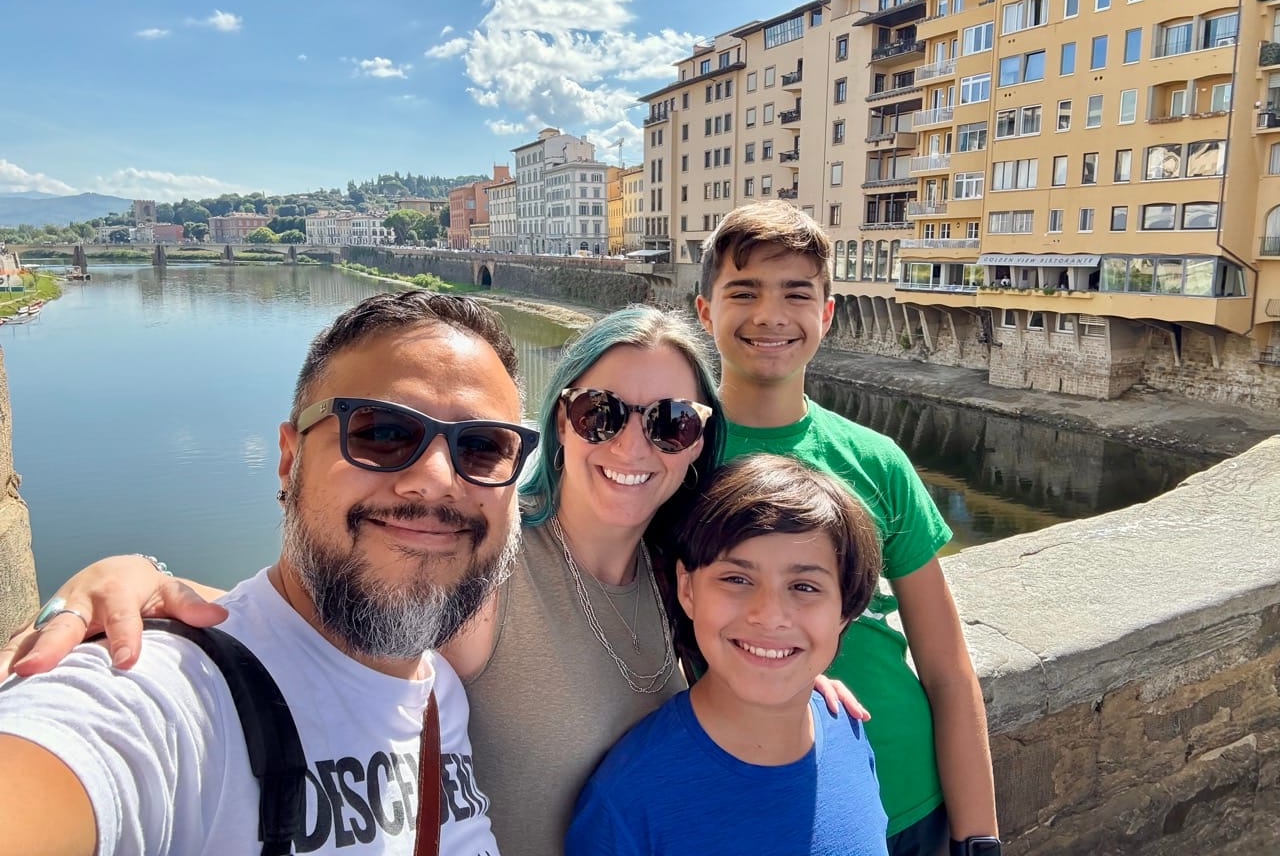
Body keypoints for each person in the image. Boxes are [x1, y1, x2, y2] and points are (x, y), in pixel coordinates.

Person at [2, 307, 863, 855]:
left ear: (698, 442)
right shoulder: (479, 572)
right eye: (602, 412)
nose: (635, 445)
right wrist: (131, 586)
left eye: (671, 422)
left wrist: (774, 665)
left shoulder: (685, 581)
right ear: (559, 422)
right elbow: (317, 615)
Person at [0, 290, 528, 854]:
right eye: (381, 432)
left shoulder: (441, 693)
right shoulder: (153, 693)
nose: (436, 479)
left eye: (482, 447)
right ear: (289, 457)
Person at [694, 201, 1000, 856]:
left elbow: (946, 668)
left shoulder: (877, 460)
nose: (771, 315)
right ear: (703, 311)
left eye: (796, 294)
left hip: (905, 794)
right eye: (743, 291)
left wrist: (979, 840)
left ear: (825, 315)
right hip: (744, 801)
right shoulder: (668, 453)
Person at [565, 453, 887, 855]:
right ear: (687, 589)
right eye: (737, 579)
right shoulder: (629, 801)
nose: (769, 616)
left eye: (804, 586)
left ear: (845, 609)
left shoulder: (848, 729)